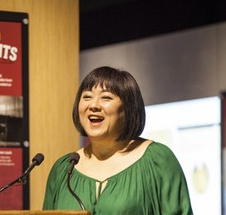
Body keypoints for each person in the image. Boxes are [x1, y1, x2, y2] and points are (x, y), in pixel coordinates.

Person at [43, 66, 193, 214]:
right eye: (87, 97)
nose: (93, 105)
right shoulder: (64, 170)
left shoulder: (158, 160)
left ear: (128, 108)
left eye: (106, 97)